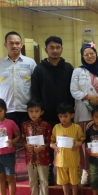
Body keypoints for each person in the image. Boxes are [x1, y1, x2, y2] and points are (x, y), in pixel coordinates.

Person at [31, 36, 74, 186]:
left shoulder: (68, 68)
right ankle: (48, 171)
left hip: (66, 116)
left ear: (62, 49)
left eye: (58, 47)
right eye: (51, 47)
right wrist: (38, 114)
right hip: (47, 116)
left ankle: (69, 170)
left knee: (66, 145)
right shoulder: (39, 69)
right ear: (46, 49)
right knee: (47, 146)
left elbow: (72, 92)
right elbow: (35, 93)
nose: (55, 50)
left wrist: (70, 113)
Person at [70, 42, 98, 177]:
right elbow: (73, 90)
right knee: (83, 143)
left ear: (96, 54)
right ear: (82, 56)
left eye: (91, 53)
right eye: (86, 54)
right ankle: (85, 171)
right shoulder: (77, 71)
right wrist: (89, 97)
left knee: (97, 141)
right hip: (83, 113)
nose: (89, 56)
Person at [0, 31, 37, 130]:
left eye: (17, 43)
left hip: (26, 110)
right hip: (5, 111)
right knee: (7, 141)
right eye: (11, 43)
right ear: (5, 44)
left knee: (27, 140)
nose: (14, 45)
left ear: (22, 45)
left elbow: (36, 86)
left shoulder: (31, 63)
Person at [50, 103, 85, 195]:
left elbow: (82, 139)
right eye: (60, 116)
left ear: (72, 115)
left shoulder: (76, 127)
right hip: (61, 161)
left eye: (65, 116)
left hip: (73, 160)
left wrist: (78, 143)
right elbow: (52, 141)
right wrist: (53, 146)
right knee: (64, 182)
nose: (63, 119)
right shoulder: (56, 127)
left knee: (74, 182)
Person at [21, 100, 52, 195]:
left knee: (43, 179)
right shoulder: (25, 125)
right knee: (32, 179)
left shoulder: (46, 125)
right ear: (27, 112)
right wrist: (26, 145)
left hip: (43, 156)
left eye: (36, 111)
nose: (33, 114)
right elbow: (24, 138)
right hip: (30, 157)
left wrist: (42, 147)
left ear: (42, 112)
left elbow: (50, 140)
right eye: (31, 111)